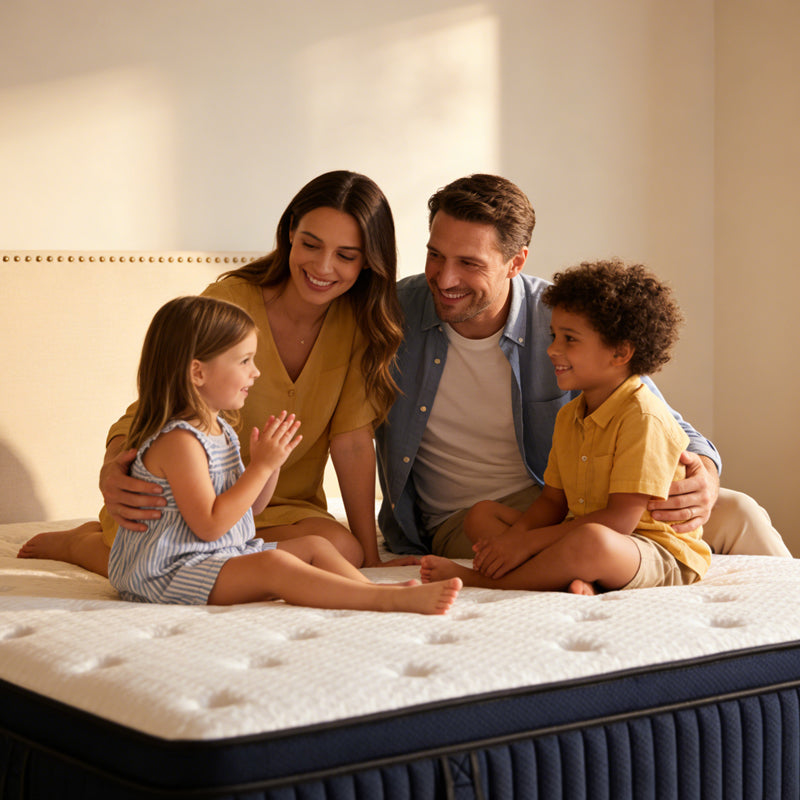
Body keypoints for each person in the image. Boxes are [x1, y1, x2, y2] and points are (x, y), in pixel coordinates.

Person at [376, 174, 790, 559]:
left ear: (516, 263)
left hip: (573, 500)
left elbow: (650, 409)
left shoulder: (564, 319)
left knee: (740, 511)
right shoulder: (388, 315)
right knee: (539, 549)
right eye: (435, 254)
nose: (445, 278)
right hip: (463, 518)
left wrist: (707, 476)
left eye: (469, 263)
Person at [20, 171, 416, 571]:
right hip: (191, 502)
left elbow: (351, 444)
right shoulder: (229, 303)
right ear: (290, 231)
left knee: (342, 550)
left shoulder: (361, 326)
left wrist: (370, 555)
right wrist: (110, 469)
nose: (323, 266)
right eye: (310, 244)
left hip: (281, 509)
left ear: (369, 261)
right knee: (177, 550)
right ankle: (84, 547)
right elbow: (162, 397)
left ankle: (208, 561)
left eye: (346, 255)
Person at [105, 295, 461, 613]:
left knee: (315, 545)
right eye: (244, 361)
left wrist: (271, 465)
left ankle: (368, 589)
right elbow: (211, 525)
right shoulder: (179, 442)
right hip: (171, 571)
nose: (256, 372)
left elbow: (251, 509)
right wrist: (259, 467)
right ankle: (384, 601)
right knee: (275, 564)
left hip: (216, 556)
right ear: (198, 372)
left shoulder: (221, 429)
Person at [420, 260, 711, 594]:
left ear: (620, 353)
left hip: (650, 549)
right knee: (481, 516)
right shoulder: (570, 415)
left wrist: (527, 545)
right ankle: (575, 574)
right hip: (584, 529)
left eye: (569, 339)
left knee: (592, 541)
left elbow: (620, 521)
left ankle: (487, 581)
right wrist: (517, 539)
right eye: (554, 335)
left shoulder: (643, 417)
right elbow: (551, 502)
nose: (552, 349)